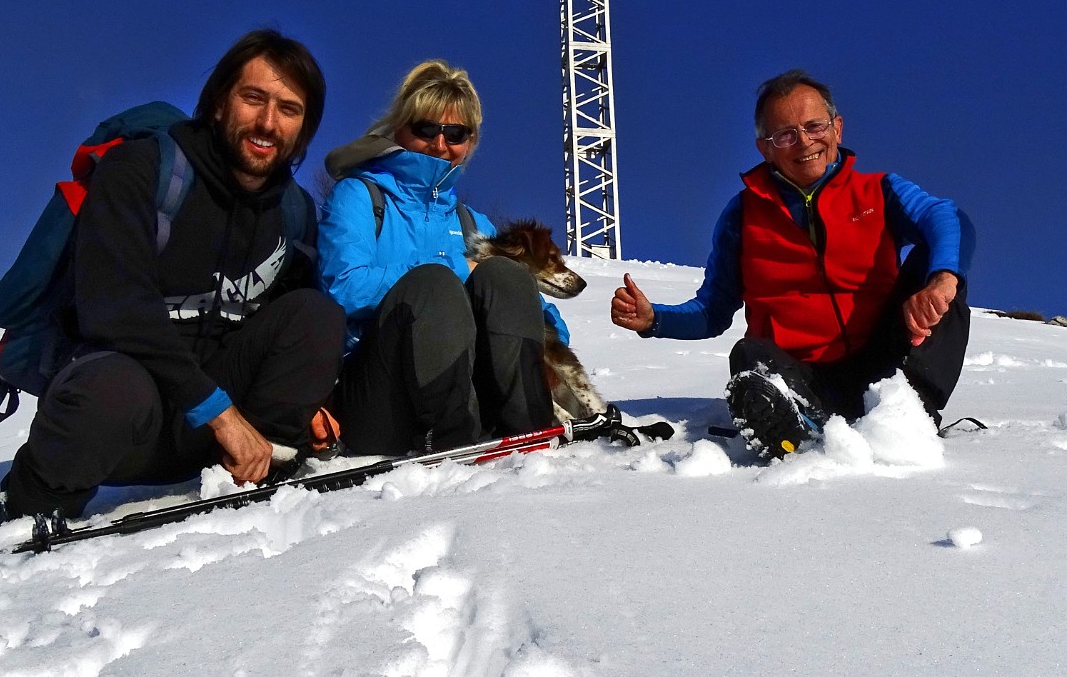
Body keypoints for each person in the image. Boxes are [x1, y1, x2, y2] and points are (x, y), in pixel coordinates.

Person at [0, 30, 345, 523]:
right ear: (220, 103)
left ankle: (257, 476)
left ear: (304, 129)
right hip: (127, 418)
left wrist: (308, 401)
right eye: (253, 98)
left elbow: (293, 324)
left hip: (217, 435)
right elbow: (114, 307)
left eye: (289, 109)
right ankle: (35, 496)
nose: (268, 122)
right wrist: (219, 413)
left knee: (316, 315)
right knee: (110, 390)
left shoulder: (293, 213)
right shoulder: (141, 168)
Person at [610, 69, 973, 460]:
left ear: (837, 128)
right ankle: (798, 425)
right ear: (764, 148)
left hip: (887, 365)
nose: (803, 142)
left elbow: (946, 218)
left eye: (814, 126)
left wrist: (942, 280)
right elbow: (713, 310)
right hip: (807, 378)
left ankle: (908, 417)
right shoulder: (742, 217)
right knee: (748, 355)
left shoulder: (879, 191)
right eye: (784, 134)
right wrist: (653, 320)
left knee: (941, 269)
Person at [316, 60, 568, 455]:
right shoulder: (360, 197)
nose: (440, 144)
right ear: (399, 129)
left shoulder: (472, 223)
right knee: (434, 284)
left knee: (504, 274)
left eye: (456, 133)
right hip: (381, 399)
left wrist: (548, 350)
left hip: (472, 396)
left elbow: (531, 308)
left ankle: (531, 430)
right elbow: (342, 288)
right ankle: (450, 444)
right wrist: (452, 269)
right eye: (426, 128)